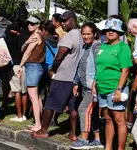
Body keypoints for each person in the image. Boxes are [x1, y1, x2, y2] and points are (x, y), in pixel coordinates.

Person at [34, 11, 83, 140]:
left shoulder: (69, 37)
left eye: (65, 20)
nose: (62, 23)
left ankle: (43, 130)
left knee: (51, 103)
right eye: (61, 20)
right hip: (74, 78)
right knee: (73, 107)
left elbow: (60, 56)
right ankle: (73, 133)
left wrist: (52, 70)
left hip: (63, 76)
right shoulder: (79, 35)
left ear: (73, 21)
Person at [93, 18, 132, 150]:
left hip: (115, 88)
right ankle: (108, 147)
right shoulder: (103, 45)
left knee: (119, 119)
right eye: (108, 29)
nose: (110, 32)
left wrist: (119, 89)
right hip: (102, 88)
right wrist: (94, 84)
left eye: (114, 30)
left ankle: (120, 148)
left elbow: (125, 70)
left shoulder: (123, 47)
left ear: (119, 32)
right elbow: (99, 67)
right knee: (108, 119)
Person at [69, 23, 103, 149]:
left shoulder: (96, 47)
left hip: (92, 87)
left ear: (94, 34)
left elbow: (99, 68)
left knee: (83, 110)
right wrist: (76, 83)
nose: (86, 36)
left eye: (88, 34)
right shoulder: (85, 47)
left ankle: (84, 139)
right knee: (92, 113)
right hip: (84, 86)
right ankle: (98, 140)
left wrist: (94, 85)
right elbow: (80, 66)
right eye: (83, 34)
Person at [18, 16, 45, 130]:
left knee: (33, 97)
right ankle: (39, 123)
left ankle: (38, 124)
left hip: (33, 66)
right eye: (28, 23)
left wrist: (20, 66)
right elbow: (23, 48)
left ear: (38, 24)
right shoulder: (37, 35)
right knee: (36, 97)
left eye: (32, 24)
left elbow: (26, 52)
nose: (29, 25)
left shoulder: (36, 35)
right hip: (36, 67)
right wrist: (27, 41)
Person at [6, 10, 30, 122]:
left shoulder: (9, 31)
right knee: (24, 91)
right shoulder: (27, 31)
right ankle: (24, 115)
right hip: (26, 64)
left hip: (14, 64)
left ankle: (19, 115)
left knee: (17, 91)